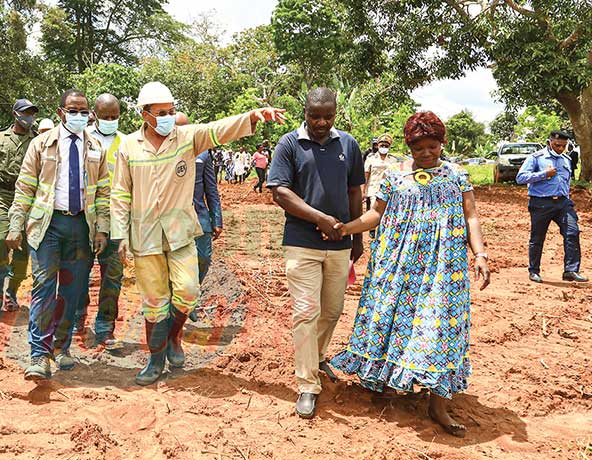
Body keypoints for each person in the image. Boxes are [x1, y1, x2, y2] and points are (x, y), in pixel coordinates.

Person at [111, 81, 286, 386]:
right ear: (145, 114)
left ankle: (175, 336)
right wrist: (120, 233)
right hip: (145, 235)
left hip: (180, 232)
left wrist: (255, 115)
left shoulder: (186, 138)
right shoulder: (128, 145)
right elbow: (120, 192)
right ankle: (155, 360)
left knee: (188, 291)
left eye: (171, 111)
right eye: (161, 112)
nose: (167, 116)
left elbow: (220, 129)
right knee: (154, 301)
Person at [330, 111, 491, 438]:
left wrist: (481, 254)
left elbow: (471, 217)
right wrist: (346, 227)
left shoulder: (457, 176)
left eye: (433, 147)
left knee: (439, 328)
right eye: (420, 149)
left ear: (442, 144)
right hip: (397, 264)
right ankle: (386, 382)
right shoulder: (394, 177)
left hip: (443, 268)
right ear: (410, 147)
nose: (428, 154)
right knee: (392, 320)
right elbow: (375, 214)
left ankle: (438, 404)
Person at [266, 87, 365, 418]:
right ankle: (307, 384)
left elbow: (354, 190)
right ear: (304, 111)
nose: (321, 122)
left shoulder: (348, 144)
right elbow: (280, 192)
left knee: (332, 310)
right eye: (314, 115)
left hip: (339, 243)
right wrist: (320, 219)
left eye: (328, 115)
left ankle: (318, 354)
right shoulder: (289, 144)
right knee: (306, 311)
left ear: (335, 112)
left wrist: (356, 234)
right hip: (302, 242)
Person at [7, 89, 110, 380]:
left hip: (81, 226)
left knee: (72, 292)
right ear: (61, 112)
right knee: (43, 287)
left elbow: (102, 192)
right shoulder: (41, 144)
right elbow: (25, 187)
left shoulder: (96, 148)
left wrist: (102, 228)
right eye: (73, 110)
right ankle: (39, 354)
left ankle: (61, 347)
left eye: (83, 111)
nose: (79, 115)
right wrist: (16, 225)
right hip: (47, 225)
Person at [0, 99, 38, 313]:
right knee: (0, 244)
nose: (29, 117)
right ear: (15, 114)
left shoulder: (37, 140)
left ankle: (12, 292)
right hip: (3, 197)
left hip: (28, 200)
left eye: (32, 113)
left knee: (23, 250)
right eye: (25, 113)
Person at [82, 93, 125, 349]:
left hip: (117, 220)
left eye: (115, 117)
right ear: (94, 116)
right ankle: (78, 318)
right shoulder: (83, 140)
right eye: (105, 117)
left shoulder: (127, 143)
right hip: (85, 219)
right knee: (78, 275)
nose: (110, 121)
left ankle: (105, 329)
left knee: (112, 277)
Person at [516, 130, 586, 283]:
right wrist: (543, 174)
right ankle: (534, 271)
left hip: (562, 203)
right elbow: (520, 178)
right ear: (550, 142)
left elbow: (566, 180)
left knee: (572, 233)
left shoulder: (566, 159)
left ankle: (571, 270)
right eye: (557, 145)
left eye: (563, 146)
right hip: (541, 203)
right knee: (537, 237)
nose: (560, 148)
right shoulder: (536, 158)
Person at [177, 112, 223, 324]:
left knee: (203, 257)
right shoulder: (160, 152)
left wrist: (217, 219)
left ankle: (191, 297)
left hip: (199, 216)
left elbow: (211, 188)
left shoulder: (203, 153)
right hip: (172, 219)